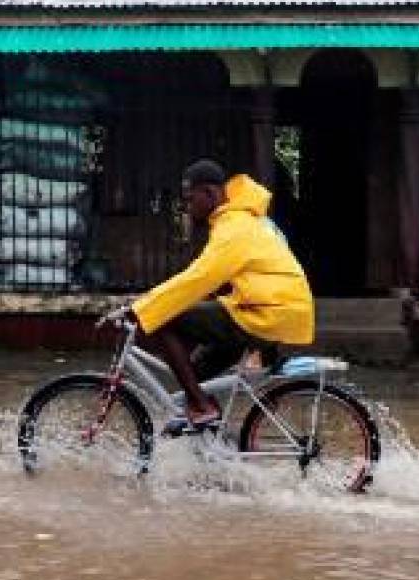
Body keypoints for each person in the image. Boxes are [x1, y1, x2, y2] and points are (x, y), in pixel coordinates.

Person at [131, 159, 315, 435]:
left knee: (164, 322)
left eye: (190, 199)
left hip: (266, 313)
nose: (187, 206)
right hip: (270, 308)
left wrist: (143, 307)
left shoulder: (234, 226)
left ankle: (202, 407)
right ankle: (209, 430)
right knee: (193, 374)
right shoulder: (241, 219)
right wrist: (152, 298)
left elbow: (200, 277)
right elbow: (213, 282)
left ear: (210, 193)